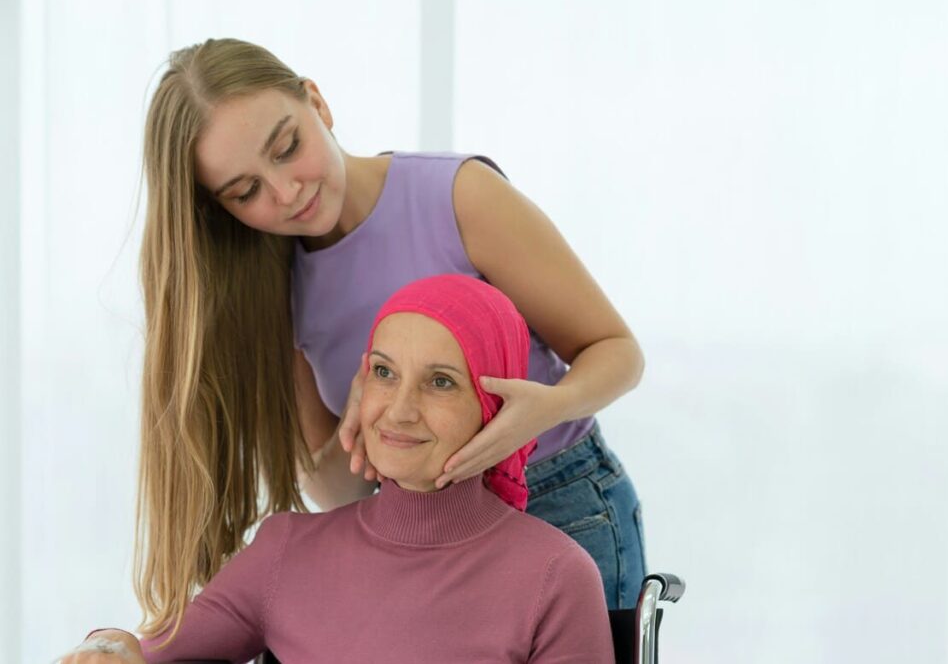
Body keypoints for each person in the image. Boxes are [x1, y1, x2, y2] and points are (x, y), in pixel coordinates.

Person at [132, 37, 646, 642]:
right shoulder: (272, 290)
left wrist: (541, 412)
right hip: (418, 538)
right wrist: (366, 429)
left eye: (287, 147)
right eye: (245, 192)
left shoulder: (456, 197)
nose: (286, 192)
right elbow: (339, 493)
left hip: (559, 499)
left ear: (317, 103)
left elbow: (617, 351)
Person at [61, 275, 615, 663]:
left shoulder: (555, 576)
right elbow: (149, 648)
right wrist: (108, 645)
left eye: (441, 381)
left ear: (495, 407)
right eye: (383, 372)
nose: (399, 410)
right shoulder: (285, 550)